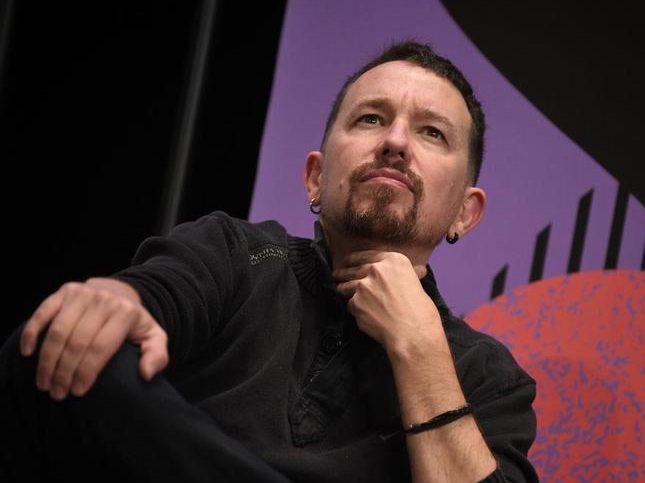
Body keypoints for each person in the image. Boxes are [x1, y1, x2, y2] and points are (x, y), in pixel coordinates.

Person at [0, 41, 538, 482]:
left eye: (431, 133)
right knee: (58, 347)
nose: (395, 142)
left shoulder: (490, 378)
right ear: (314, 178)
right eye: (372, 119)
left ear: (465, 214)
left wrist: (419, 349)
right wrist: (113, 302)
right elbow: (155, 291)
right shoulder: (239, 254)